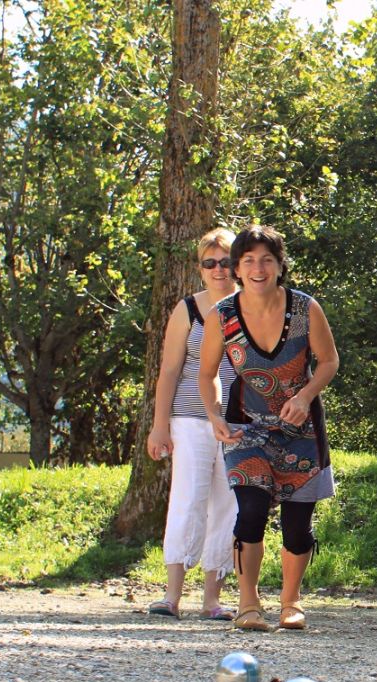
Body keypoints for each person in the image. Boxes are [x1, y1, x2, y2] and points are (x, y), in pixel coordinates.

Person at [198, 225, 339, 631]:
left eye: (267, 260)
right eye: (248, 261)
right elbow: (207, 374)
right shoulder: (221, 315)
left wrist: (305, 396)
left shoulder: (305, 308)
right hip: (247, 427)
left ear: (280, 266)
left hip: (302, 430)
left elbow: (329, 361)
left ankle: (291, 602)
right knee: (251, 511)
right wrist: (214, 416)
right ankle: (248, 602)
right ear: (237, 269)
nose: (258, 268)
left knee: (298, 526)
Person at [145, 228, 239, 620]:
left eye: (225, 262)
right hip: (190, 417)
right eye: (210, 263)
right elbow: (168, 371)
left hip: (239, 421)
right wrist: (159, 425)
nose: (218, 270)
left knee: (228, 506)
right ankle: (171, 596)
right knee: (188, 499)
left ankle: (212, 599)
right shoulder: (188, 310)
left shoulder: (253, 307)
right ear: (200, 268)